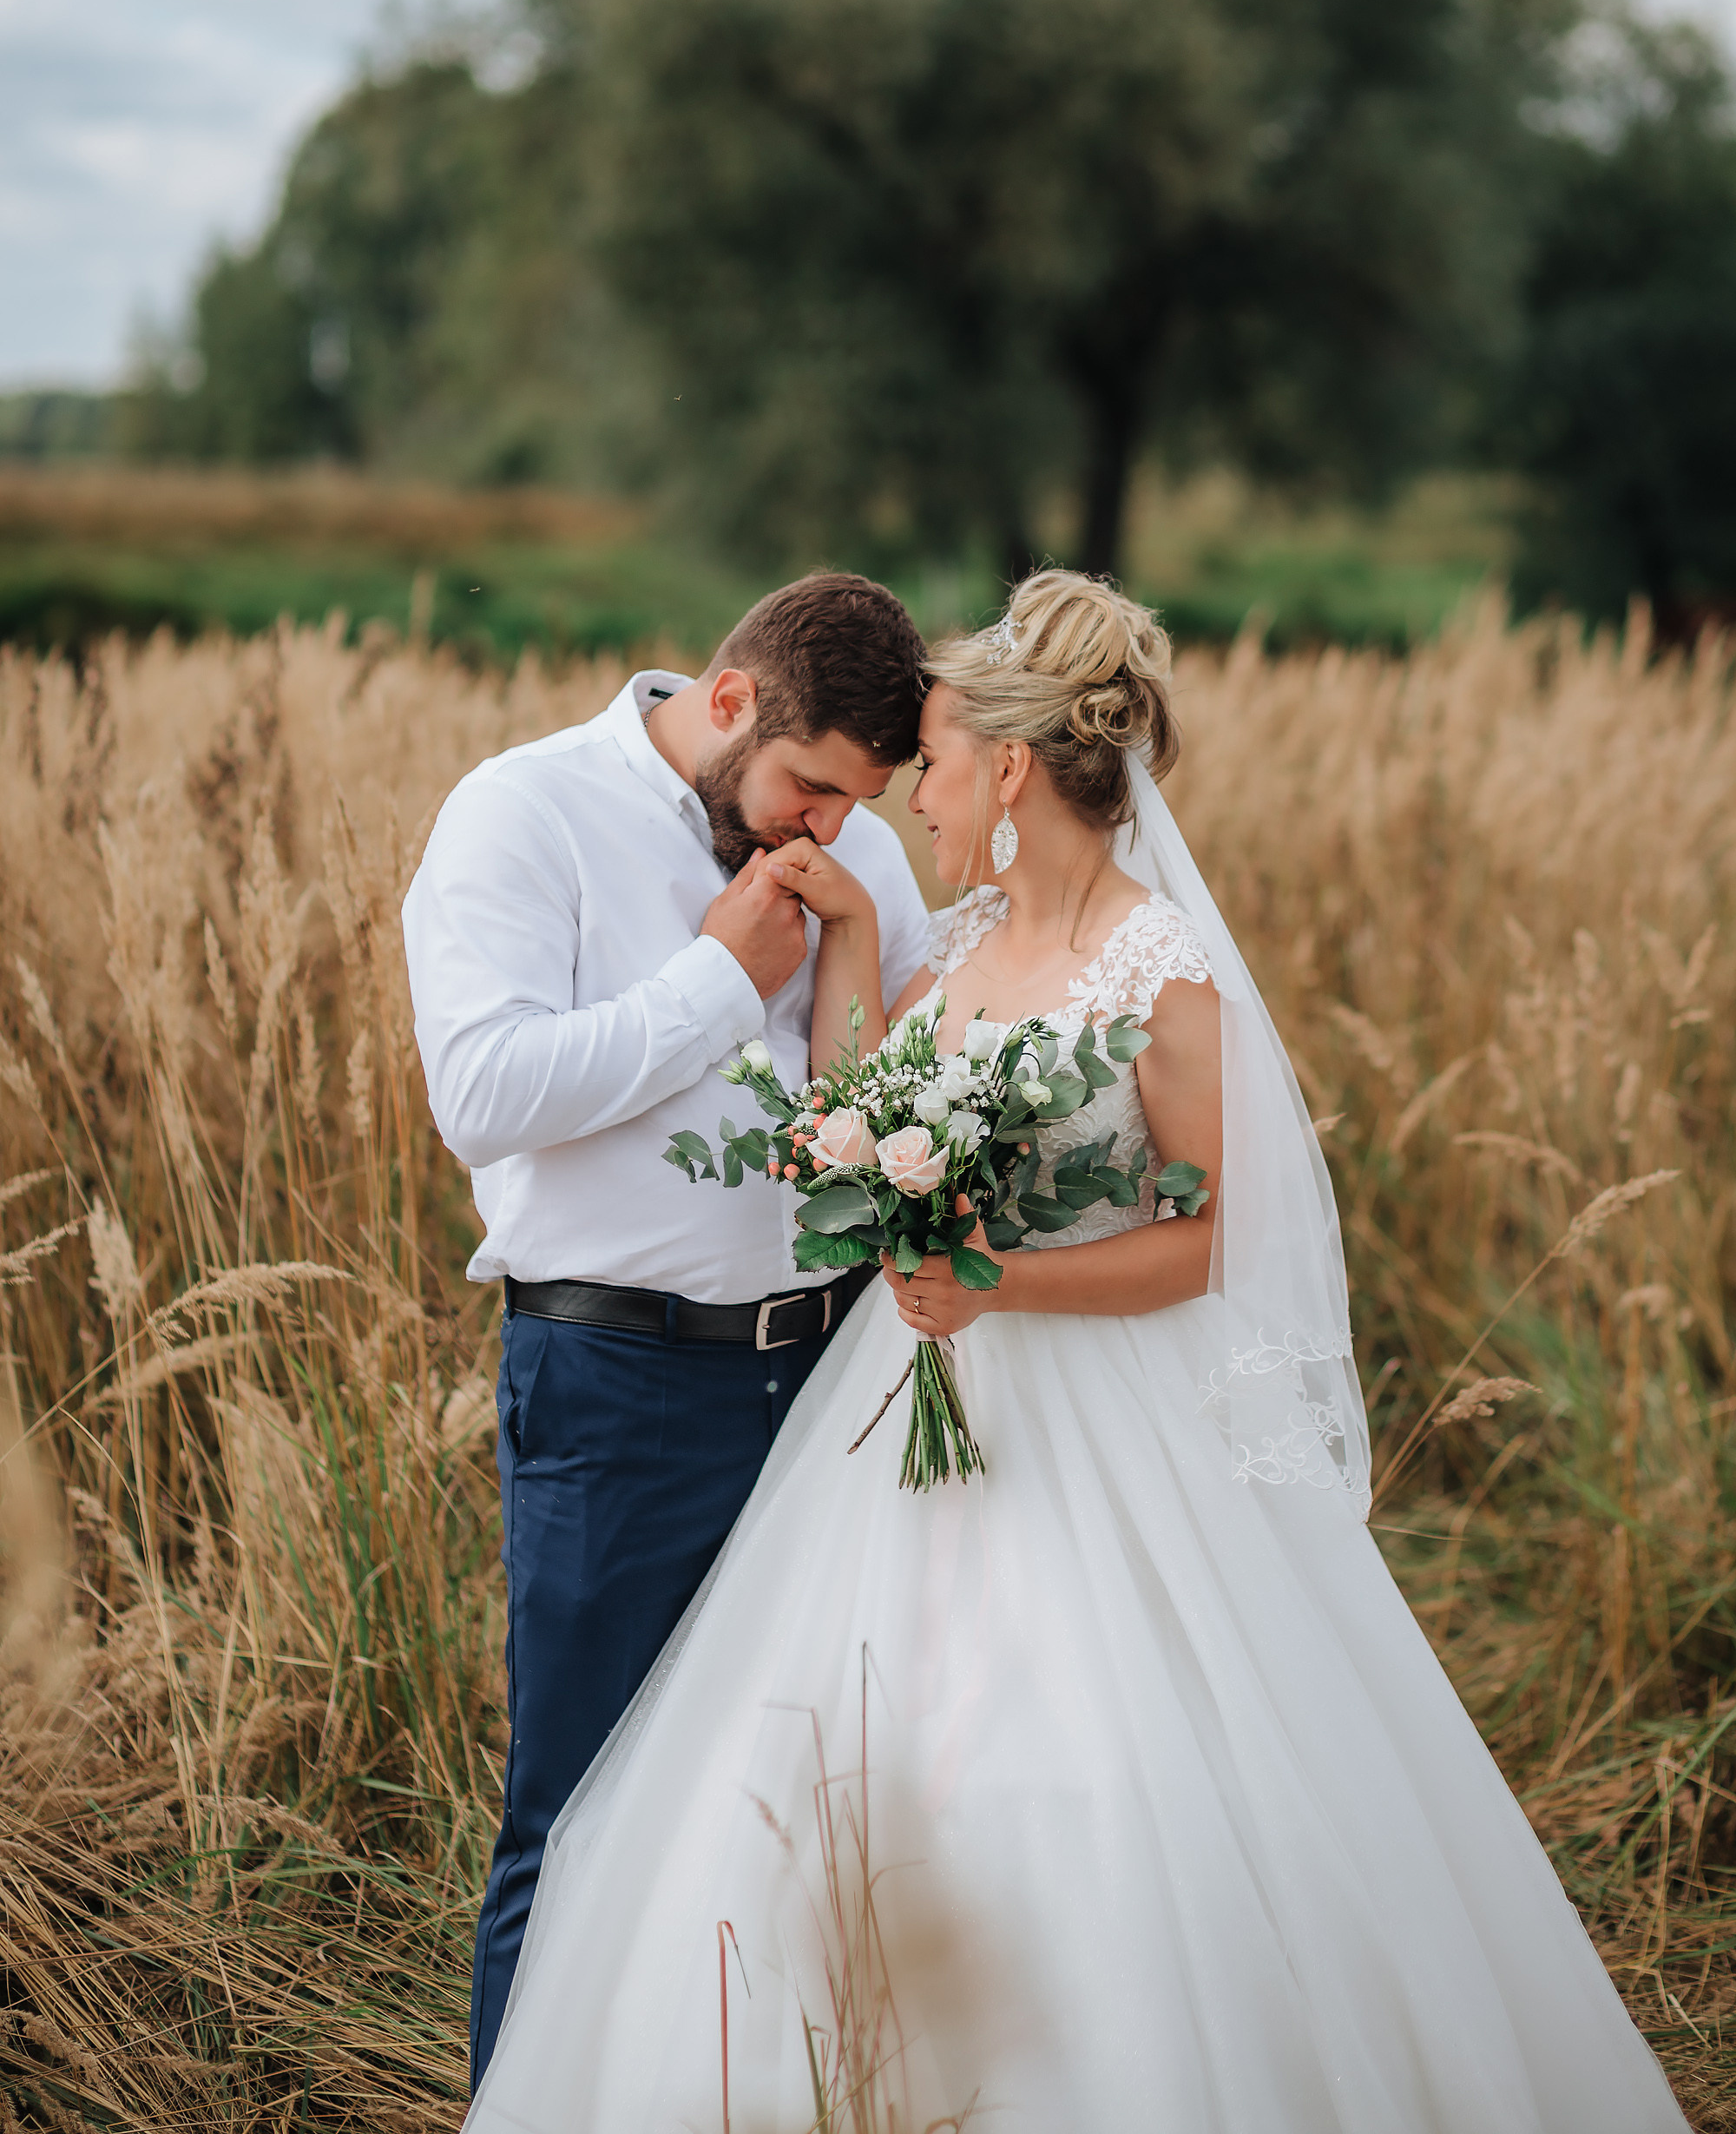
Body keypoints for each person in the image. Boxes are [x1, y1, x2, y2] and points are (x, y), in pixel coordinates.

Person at [464, 570, 1689, 2134]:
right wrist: (842, 946)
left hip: (1089, 1415)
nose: (914, 791)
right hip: (904, 1413)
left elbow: (1210, 1238)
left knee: (1083, 1772)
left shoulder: (1161, 968)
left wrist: (997, 1286)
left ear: (1016, 769)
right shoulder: (957, 932)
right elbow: (861, 1112)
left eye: (935, 761)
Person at [401, 572, 935, 2087]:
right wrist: (722, 979)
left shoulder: (866, 849)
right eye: (809, 787)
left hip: (835, 1379)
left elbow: (894, 1101)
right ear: (726, 704)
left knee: (810, 1811)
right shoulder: (522, 814)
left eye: (857, 801)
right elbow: (485, 1096)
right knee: (576, 1820)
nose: (828, 828)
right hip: (618, 1383)